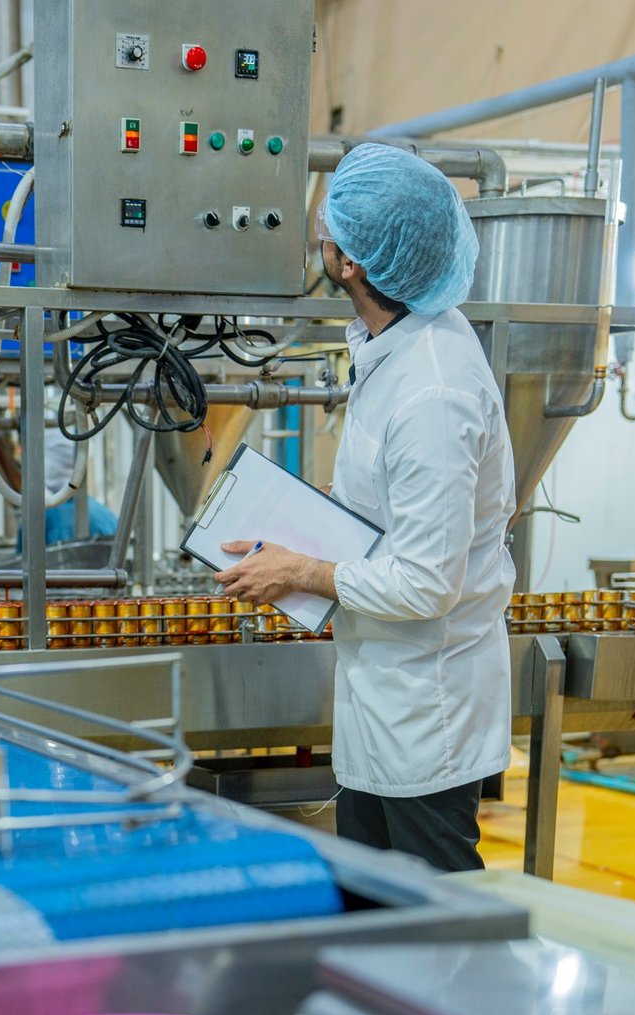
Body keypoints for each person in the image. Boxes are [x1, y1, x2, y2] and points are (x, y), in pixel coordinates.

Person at [214, 144, 515, 873]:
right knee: (375, 900)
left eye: (329, 225)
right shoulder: (402, 347)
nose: (319, 232)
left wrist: (300, 571)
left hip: (425, 706)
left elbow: (425, 583)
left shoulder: (432, 392)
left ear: (349, 262)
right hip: (387, 692)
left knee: (436, 913)